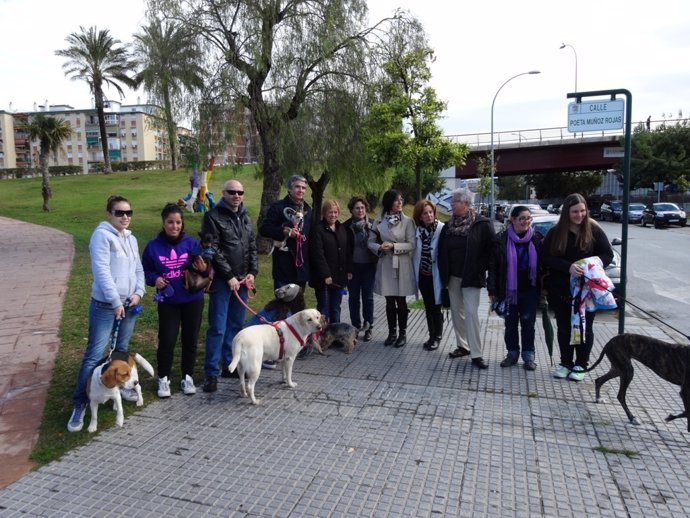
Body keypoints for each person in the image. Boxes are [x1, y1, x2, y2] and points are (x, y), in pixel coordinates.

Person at [67, 195, 145, 432]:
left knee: (121, 350)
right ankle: (80, 402)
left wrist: (139, 292)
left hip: (129, 304)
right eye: (119, 212)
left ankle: (118, 387)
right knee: (95, 354)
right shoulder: (101, 236)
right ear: (109, 214)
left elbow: (138, 268)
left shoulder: (131, 239)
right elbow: (101, 271)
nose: (125, 217)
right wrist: (114, 301)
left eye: (128, 213)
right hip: (105, 305)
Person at [542, 193, 613, 382]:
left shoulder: (594, 230)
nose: (579, 215)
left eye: (582, 211)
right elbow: (546, 257)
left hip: (586, 291)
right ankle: (566, 363)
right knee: (564, 328)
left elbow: (607, 255)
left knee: (584, 328)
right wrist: (568, 267)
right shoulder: (555, 232)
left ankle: (581, 364)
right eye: (575, 211)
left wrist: (590, 263)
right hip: (561, 290)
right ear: (567, 212)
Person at [200, 179, 258, 393]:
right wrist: (229, 275)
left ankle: (229, 365)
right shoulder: (212, 217)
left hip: (243, 281)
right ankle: (211, 373)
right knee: (217, 327)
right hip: (223, 282)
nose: (236, 195)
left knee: (235, 326)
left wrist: (252, 273)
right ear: (223, 193)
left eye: (240, 192)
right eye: (232, 192)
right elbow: (212, 249)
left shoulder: (245, 216)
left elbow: (251, 246)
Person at [141, 203, 205, 398]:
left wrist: (203, 269)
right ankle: (164, 378)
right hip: (168, 301)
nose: (174, 226)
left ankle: (187, 377)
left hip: (192, 298)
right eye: (170, 222)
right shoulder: (153, 247)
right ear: (163, 223)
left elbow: (206, 269)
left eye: (178, 222)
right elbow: (145, 271)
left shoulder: (192, 244)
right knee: (167, 340)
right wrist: (155, 279)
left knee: (190, 340)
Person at [438, 188, 495, 369]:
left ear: (466, 204)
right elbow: (441, 250)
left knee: (471, 313)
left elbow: (491, 251)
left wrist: (481, 267)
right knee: (457, 313)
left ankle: (476, 354)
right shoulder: (448, 226)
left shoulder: (482, 224)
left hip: (472, 276)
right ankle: (463, 346)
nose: (451, 204)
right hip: (452, 276)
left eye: (454, 201)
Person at [487, 205, 543, 371]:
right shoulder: (501, 240)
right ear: (513, 220)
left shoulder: (537, 239)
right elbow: (493, 267)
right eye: (522, 218)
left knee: (528, 323)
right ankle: (512, 354)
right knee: (510, 324)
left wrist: (545, 288)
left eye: (528, 218)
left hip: (530, 290)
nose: (525, 222)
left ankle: (528, 356)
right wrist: (492, 290)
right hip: (509, 291)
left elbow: (544, 266)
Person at [368, 189, 416, 348]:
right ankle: (391, 332)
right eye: (397, 200)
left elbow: (411, 244)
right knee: (389, 300)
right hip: (386, 263)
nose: (400, 202)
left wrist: (395, 246)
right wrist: (380, 247)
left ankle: (403, 333)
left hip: (401, 264)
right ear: (389, 203)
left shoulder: (408, 222)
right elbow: (370, 242)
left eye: (401, 199)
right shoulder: (378, 221)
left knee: (401, 299)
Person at [259, 175, 312, 308]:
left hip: (301, 268)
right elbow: (264, 229)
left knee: (298, 307)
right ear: (289, 189)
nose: (301, 190)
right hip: (283, 264)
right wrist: (284, 231)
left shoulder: (308, 209)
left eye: (303, 188)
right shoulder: (277, 207)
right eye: (297, 187)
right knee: (282, 306)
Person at [309, 199, 352, 323]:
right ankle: (322, 336)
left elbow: (347, 251)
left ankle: (336, 336)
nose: (333, 215)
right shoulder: (318, 230)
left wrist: (349, 270)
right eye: (330, 212)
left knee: (335, 308)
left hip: (339, 278)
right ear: (324, 213)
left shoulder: (342, 229)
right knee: (324, 309)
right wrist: (326, 274)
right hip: (324, 279)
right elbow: (318, 254)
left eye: (335, 212)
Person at [412, 199, 445, 351]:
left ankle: (437, 336)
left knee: (436, 306)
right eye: (425, 213)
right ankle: (431, 334)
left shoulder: (441, 229)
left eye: (431, 212)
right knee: (428, 306)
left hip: (436, 275)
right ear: (419, 217)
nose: (429, 215)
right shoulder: (418, 231)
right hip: (423, 275)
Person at [344, 196, 378, 342]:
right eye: (357, 208)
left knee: (368, 297)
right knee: (353, 298)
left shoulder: (373, 225)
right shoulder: (346, 226)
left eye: (362, 208)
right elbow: (344, 250)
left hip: (369, 266)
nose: (360, 210)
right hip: (353, 267)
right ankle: (355, 327)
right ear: (352, 210)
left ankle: (369, 326)